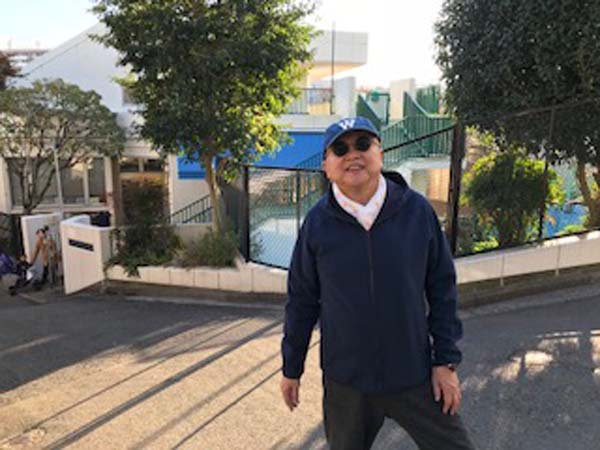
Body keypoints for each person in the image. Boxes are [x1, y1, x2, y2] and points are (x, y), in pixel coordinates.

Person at [280, 117, 475, 450]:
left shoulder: (417, 211)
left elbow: (442, 289)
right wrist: (291, 367)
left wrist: (445, 362)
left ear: (380, 154)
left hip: (414, 373)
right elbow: (301, 301)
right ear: (326, 166)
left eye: (363, 144)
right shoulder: (316, 224)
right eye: (340, 149)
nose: (352, 154)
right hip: (347, 382)